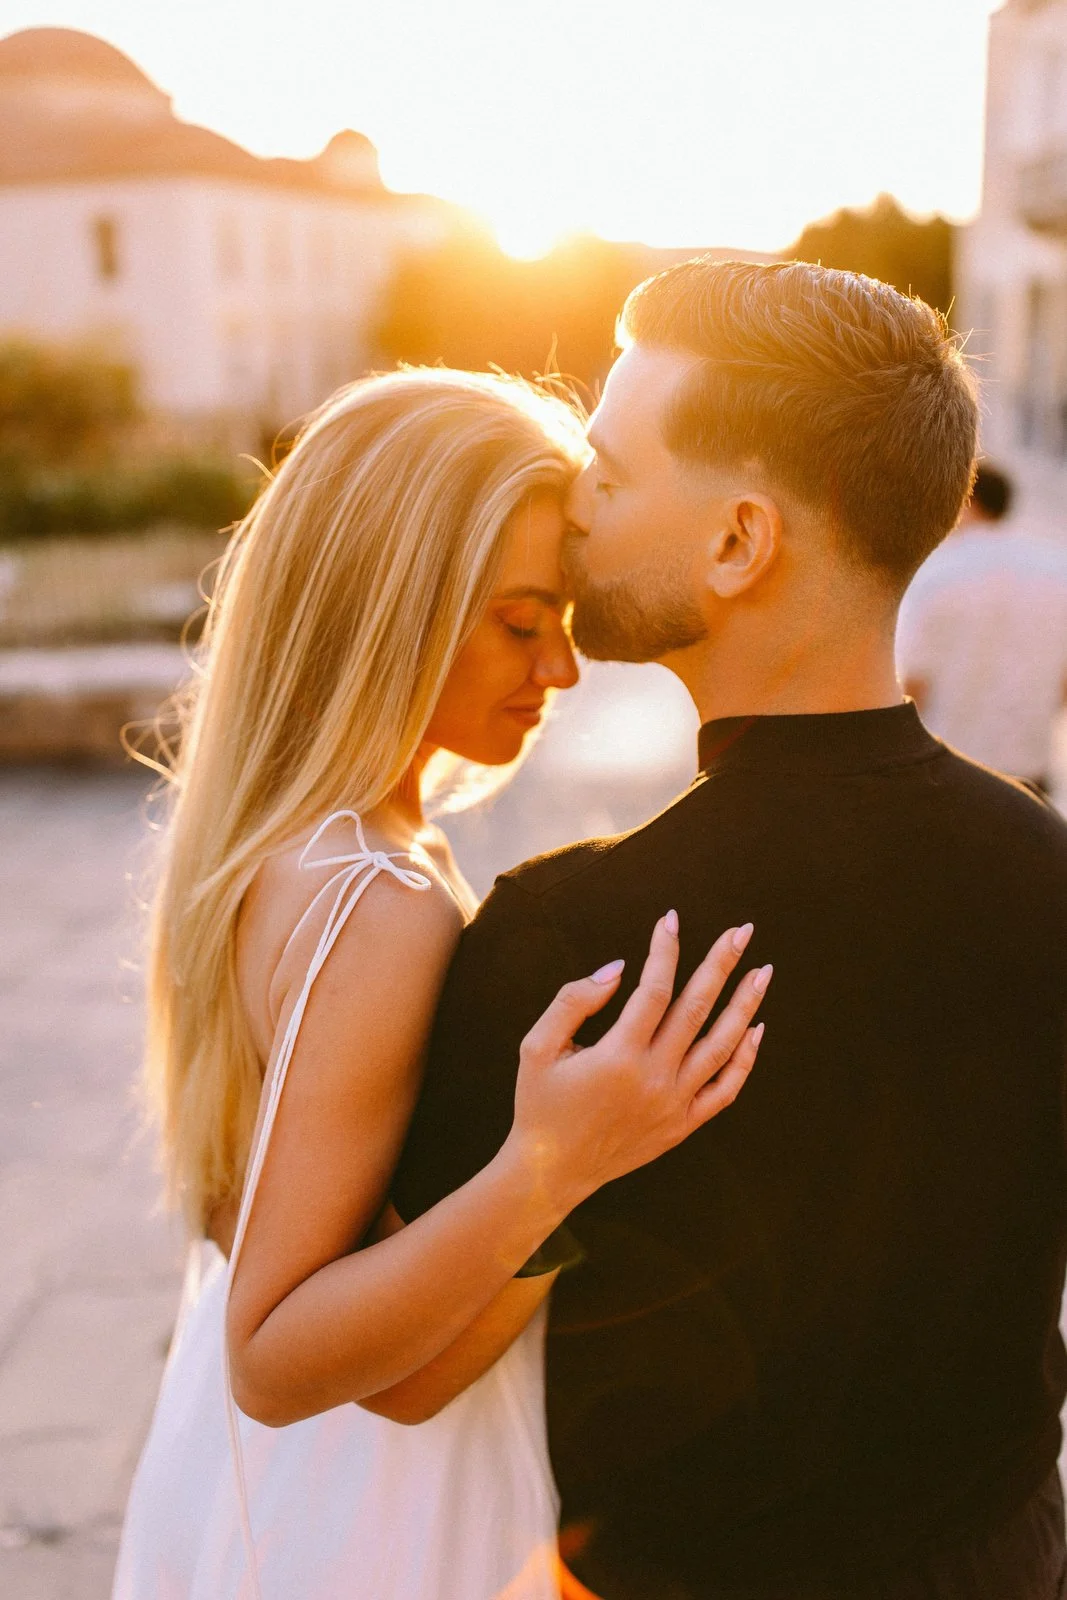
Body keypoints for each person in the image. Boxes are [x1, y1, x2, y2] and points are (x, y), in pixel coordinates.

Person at [396, 262, 1067, 1599]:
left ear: (737, 542)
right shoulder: (1048, 877)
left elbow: (410, 1380)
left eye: (610, 471)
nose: (573, 507)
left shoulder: (562, 943)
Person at [111, 367, 769, 1600]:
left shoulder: (291, 839)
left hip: (277, 1477)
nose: (561, 671)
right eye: (522, 622)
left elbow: (238, 1219)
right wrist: (556, 1164)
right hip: (372, 1512)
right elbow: (274, 1346)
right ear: (386, 611)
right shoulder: (376, 900)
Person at [897, 460, 1067, 792]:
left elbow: (914, 686)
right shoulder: (1056, 572)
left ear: (964, 501)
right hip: (1030, 777)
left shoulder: (935, 573)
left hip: (950, 774)